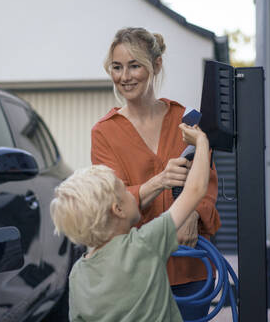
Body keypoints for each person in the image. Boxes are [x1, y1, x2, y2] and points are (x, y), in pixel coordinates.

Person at [90, 27, 221, 319]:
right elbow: (113, 205)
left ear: (156, 65)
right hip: (135, 273)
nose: (125, 76)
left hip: (190, 269)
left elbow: (207, 183)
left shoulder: (186, 121)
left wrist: (193, 213)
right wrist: (160, 181)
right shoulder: (104, 133)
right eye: (117, 67)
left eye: (135, 65)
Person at [50, 123, 210, 321]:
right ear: (118, 209)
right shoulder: (144, 244)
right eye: (124, 191)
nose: (131, 193)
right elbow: (195, 190)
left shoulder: (77, 273)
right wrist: (201, 142)